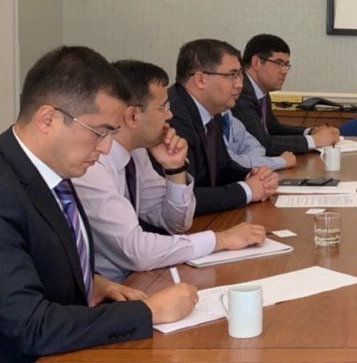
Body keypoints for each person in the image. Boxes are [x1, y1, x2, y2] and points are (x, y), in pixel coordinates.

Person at [0, 46, 197, 363]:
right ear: (47, 119)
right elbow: (32, 326)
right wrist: (150, 312)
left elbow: (33, 257)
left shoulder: (45, 170)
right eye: (99, 132)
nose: (106, 148)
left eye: (112, 133)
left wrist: (92, 282)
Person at [74, 60, 268, 282]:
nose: (169, 116)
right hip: (106, 289)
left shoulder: (137, 153)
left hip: (136, 278)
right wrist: (220, 240)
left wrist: (175, 168)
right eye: (163, 108)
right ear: (133, 116)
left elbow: (175, 223)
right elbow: (136, 251)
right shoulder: (92, 164)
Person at [169, 39, 279, 215]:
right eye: (232, 75)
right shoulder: (173, 118)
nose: (240, 84)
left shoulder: (212, 110)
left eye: (240, 75)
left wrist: (253, 176)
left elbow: (222, 166)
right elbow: (184, 197)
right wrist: (247, 190)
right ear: (200, 80)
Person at [231, 34, 340, 156]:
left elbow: (273, 129)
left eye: (286, 65)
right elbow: (261, 144)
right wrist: (315, 140)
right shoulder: (241, 92)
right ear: (257, 62)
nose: (284, 71)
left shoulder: (260, 90)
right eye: (279, 63)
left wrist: (310, 132)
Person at [221, 110, 297, 171]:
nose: (238, 96)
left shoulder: (227, 113)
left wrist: (250, 165)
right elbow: (231, 161)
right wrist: (281, 162)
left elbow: (257, 148)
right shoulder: (215, 119)